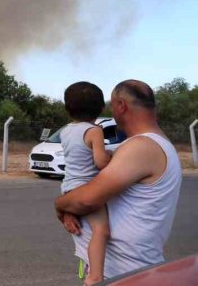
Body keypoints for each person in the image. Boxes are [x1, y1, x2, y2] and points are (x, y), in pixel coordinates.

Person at [55, 80, 182, 282]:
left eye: (112, 106)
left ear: (121, 106)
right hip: (119, 271)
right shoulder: (137, 146)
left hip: (123, 274)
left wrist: (61, 205)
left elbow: (85, 200)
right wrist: (70, 207)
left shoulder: (142, 147)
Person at [58, 82, 112, 286]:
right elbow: (100, 162)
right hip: (86, 189)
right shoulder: (94, 131)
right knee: (101, 231)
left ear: (67, 108)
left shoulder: (65, 131)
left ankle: (87, 269)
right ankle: (94, 277)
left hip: (69, 187)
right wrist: (112, 157)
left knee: (88, 232)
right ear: (101, 108)